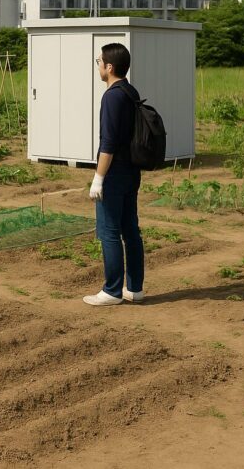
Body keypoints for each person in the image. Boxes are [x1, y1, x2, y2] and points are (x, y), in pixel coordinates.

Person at [83, 43, 145, 306]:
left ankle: (112, 291)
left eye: (99, 61)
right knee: (130, 229)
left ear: (109, 67)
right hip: (132, 170)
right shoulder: (130, 91)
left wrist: (99, 178)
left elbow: (108, 142)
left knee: (108, 231)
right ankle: (135, 289)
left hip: (115, 172)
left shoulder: (111, 96)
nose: (97, 65)